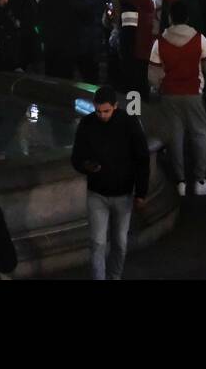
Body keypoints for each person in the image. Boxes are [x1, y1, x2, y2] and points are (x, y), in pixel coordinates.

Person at [70, 85, 150, 280]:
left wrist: (141, 193)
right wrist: (86, 166)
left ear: (115, 106)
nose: (102, 115)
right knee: (97, 242)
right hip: (97, 193)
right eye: (98, 111)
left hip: (122, 194)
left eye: (106, 111)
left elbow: (142, 159)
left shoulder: (129, 124)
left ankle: (114, 276)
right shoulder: (87, 124)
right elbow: (76, 157)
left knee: (120, 242)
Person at [148, 0, 206, 197]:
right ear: (187, 18)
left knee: (175, 137)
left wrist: (161, 84)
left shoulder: (159, 42)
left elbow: (152, 75)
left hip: (169, 94)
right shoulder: (199, 39)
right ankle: (199, 180)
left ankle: (180, 181)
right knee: (199, 135)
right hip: (194, 93)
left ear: (170, 18)